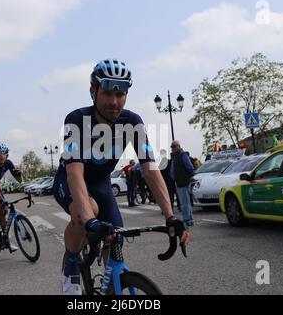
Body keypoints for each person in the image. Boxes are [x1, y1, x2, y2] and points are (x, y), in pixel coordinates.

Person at [52, 59, 190, 295]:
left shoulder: (132, 122)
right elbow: (75, 171)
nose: (114, 102)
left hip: (103, 186)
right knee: (88, 210)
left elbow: (150, 169)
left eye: (121, 94)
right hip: (72, 182)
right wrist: (88, 220)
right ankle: (71, 264)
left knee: (115, 238)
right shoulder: (76, 119)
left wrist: (170, 217)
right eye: (107, 93)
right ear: (93, 92)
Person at [170, 141, 195, 228]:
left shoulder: (182, 155)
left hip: (183, 181)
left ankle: (186, 220)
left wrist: (190, 175)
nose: (172, 148)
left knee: (184, 202)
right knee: (186, 201)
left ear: (179, 146)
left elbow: (189, 167)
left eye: (174, 146)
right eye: (172, 146)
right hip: (180, 181)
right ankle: (190, 219)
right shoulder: (176, 156)